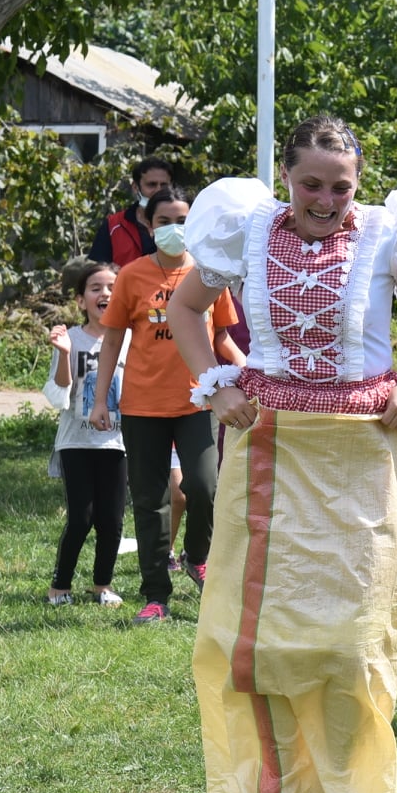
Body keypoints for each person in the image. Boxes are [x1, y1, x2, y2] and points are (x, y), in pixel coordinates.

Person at [168, 114, 397, 793]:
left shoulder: (386, 235)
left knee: (351, 640)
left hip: (362, 448)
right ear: (285, 175)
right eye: (311, 183)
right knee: (249, 641)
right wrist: (212, 389)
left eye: (341, 185)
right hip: (270, 440)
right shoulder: (246, 229)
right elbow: (184, 308)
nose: (326, 198)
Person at [89, 183, 243, 625]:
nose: (174, 229)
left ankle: (197, 556)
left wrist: (254, 373)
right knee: (152, 501)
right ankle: (156, 594)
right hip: (141, 406)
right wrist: (101, 400)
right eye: (164, 221)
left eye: (182, 221)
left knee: (204, 486)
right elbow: (113, 339)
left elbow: (221, 338)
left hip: (199, 401)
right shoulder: (133, 276)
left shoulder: (209, 271)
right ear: (147, 224)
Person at [42, 258, 128, 608]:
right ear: (80, 301)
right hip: (76, 441)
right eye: (96, 288)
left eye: (112, 287)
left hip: (118, 442)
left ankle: (102, 586)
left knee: (112, 519)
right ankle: (59, 587)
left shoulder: (130, 339)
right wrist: (63, 354)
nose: (105, 293)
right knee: (81, 516)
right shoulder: (71, 338)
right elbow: (59, 393)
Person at [88, 157, 171, 267]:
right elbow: (97, 270)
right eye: (151, 184)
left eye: (164, 185)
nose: (158, 191)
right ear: (136, 187)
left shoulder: (182, 225)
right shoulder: (113, 225)